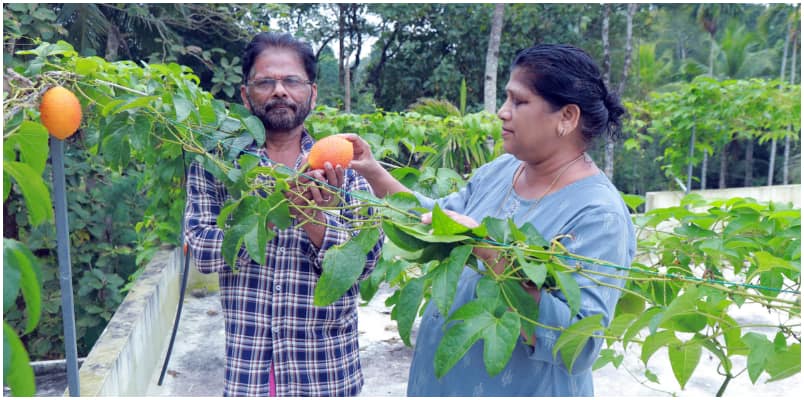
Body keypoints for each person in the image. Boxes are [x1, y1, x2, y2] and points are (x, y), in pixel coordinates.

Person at [344, 43, 636, 396]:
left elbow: (579, 346)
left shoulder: (598, 214)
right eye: (506, 99)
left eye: (519, 101)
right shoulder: (504, 169)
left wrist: (489, 251)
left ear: (567, 117)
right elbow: (438, 220)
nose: (502, 112)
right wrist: (375, 174)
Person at [183, 31, 383, 397]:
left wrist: (314, 220)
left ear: (312, 93)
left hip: (326, 374)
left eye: (292, 80)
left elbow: (366, 260)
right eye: (265, 82)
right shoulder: (218, 163)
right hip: (250, 373)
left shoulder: (345, 165)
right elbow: (201, 248)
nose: (279, 91)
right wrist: (272, 217)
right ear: (245, 94)